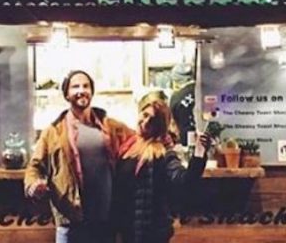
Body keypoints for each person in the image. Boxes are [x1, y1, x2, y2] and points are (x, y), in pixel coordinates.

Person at [24, 70, 134, 243]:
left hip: (106, 221)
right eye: (75, 87)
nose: (81, 90)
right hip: (71, 221)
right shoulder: (53, 132)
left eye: (86, 86)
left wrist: (163, 139)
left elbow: (140, 139)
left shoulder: (111, 126)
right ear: (66, 95)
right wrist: (33, 185)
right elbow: (35, 166)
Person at [113, 90, 211, 243]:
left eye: (152, 121)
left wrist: (199, 153)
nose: (145, 123)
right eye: (144, 115)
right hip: (126, 232)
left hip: (149, 235)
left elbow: (184, 180)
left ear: (159, 125)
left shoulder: (162, 152)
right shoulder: (128, 144)